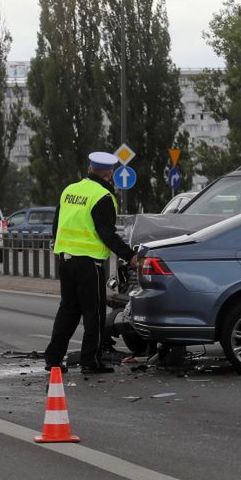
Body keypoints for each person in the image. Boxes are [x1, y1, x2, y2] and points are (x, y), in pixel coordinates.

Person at [44, 152, 136, 377]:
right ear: (109, 172)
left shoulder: (69, 190)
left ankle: (53, 359)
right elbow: (107, 233)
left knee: (68, 310)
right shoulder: (102, 196)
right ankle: (90, 361)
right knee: (93, 313)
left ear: (90, 168)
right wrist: (130, 255)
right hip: (89, 263)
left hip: (65, 259)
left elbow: (56, 226)